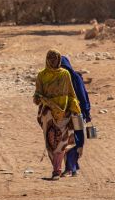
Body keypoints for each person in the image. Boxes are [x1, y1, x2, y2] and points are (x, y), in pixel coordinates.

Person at [34, 49, 81, 180]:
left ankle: (57, 170)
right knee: (51, 141)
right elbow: (37, 95)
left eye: (55, 59)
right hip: (48, 114)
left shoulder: (65, 74)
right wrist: (41, 99)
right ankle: (56, 168)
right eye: (50, 59)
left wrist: (76, 108)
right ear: (47, 60)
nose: (53, 62)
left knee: (61, 142)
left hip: (64, 113)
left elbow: (71, 93)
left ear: (59, 59)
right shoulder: (41, 75)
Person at [61, 55, 92, 177]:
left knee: (74, 140)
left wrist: (86, 111)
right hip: (67, 114)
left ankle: (71, 167)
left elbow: (82, 96)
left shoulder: (75, 78)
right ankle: (72, 167)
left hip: (76, 114)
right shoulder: (64, 78)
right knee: (69, 140)